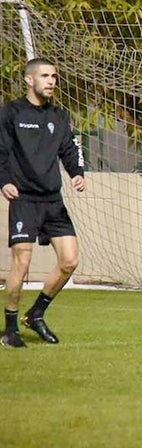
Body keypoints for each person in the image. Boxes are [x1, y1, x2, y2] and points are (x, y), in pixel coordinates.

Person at [0, 58, 85, 348]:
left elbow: (70, 148)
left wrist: (77, 173)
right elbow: (0, 150)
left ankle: (36, 313)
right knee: (21, 263)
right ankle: (10, 328)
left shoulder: (59, 116)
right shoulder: (11, 113)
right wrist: (4, 180)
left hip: (53, 200)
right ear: (29, 80)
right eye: (45, 76)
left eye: (54, 77)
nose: (51, 81)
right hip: (24, 198)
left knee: (70, 260)